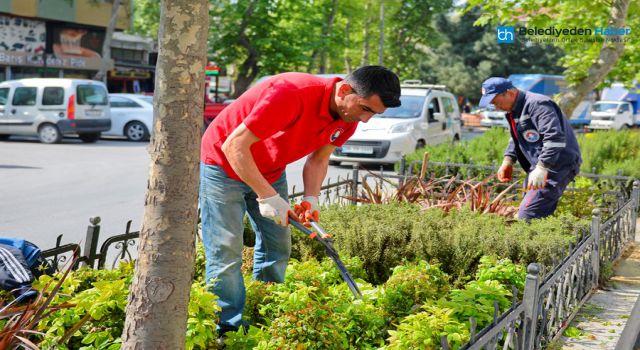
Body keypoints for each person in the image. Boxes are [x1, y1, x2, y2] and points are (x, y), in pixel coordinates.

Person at [199, 66, 401, 338]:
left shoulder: (348, 117)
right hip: (223, 164)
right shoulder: (291, 93)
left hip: (269, 168)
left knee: (277, 244)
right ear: (344, 90)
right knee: (226, 250)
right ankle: (227, 328)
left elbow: (319, 158)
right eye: (365, 109)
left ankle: (266, 305)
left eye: (373, 114)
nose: (365, 120)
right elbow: (234, 147)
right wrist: (267, 196)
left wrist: (311, 198)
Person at [478, 77, 581, 220]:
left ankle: (532, 241)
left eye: (495, 102)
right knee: (534, 213)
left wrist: (542, 167)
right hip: (539, 166)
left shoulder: (537, 104)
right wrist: (508, 160)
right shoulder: (514, 109)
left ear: (509, 93)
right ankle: (546, 240)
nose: (496, 107)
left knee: (527, 214)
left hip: (556, 165)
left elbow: (555, 137)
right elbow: (517, 137)